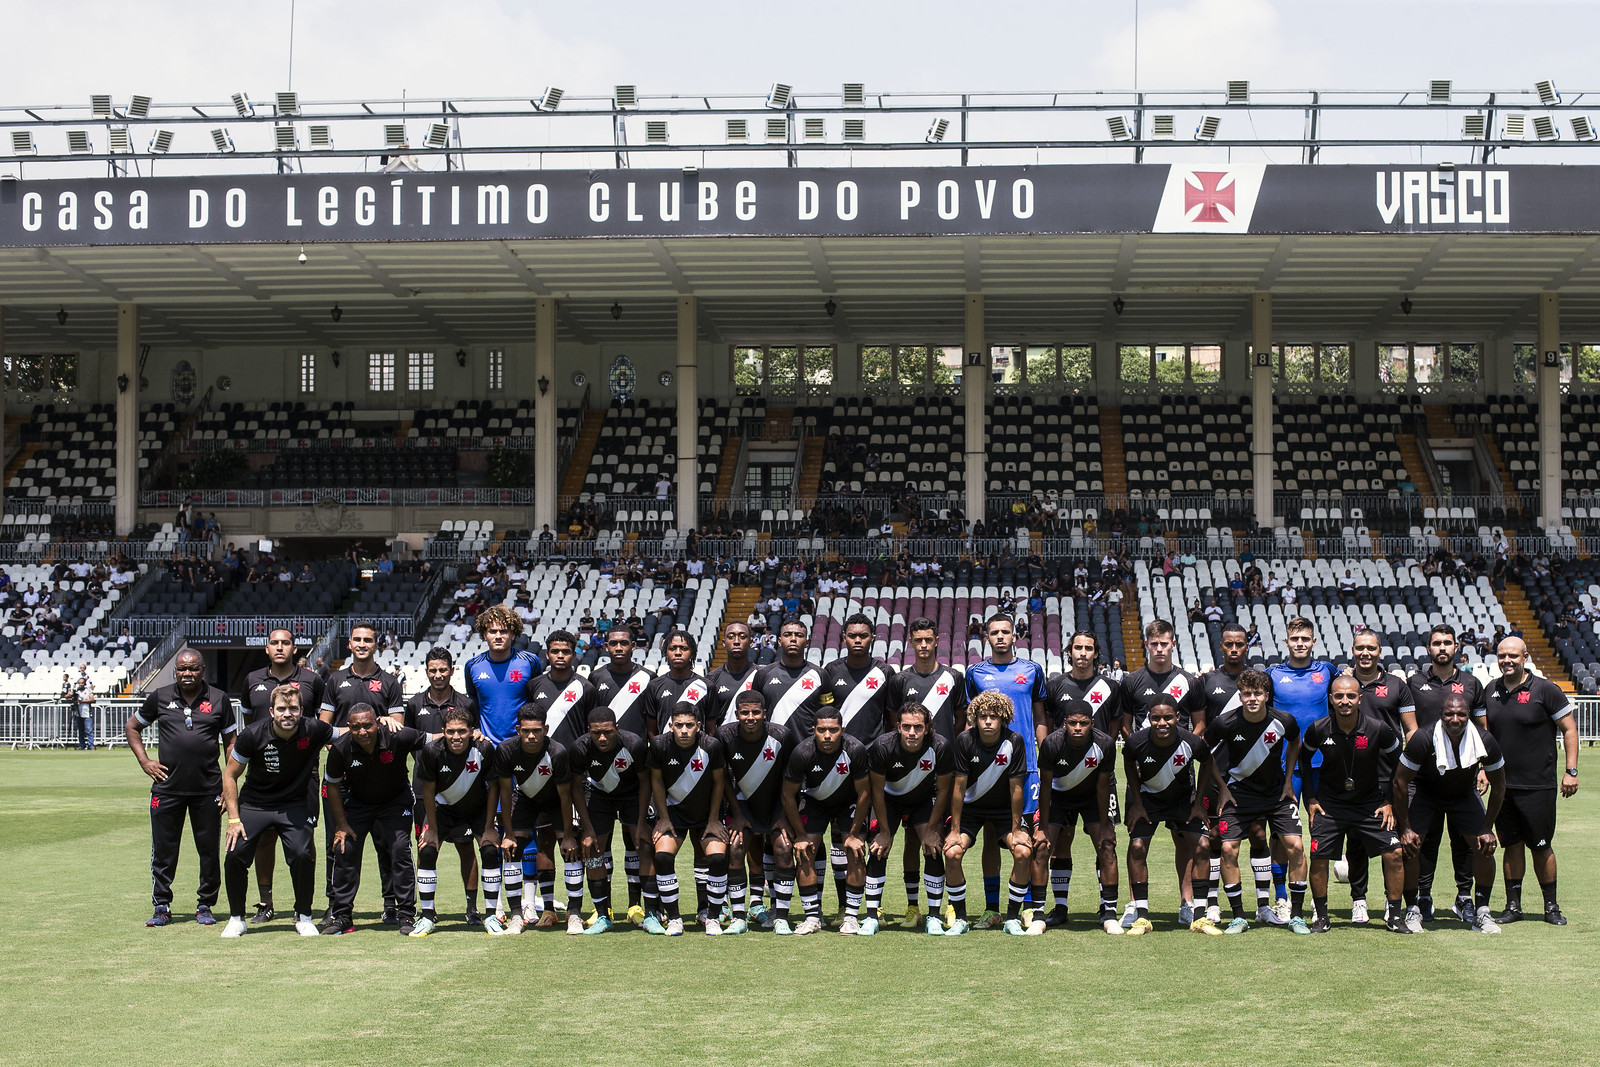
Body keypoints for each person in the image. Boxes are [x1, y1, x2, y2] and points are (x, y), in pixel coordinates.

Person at [127, 648, 235, 927]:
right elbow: (132, 727)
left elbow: (231, 742)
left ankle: (205, 905)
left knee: (209, 849)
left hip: (208, 789)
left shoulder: (219, 699)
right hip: (167, 789)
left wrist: (228, 782)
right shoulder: (161, 697)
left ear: (203, 670)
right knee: (164, 849)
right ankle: (161, 905)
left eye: (193, 668)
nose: (188, 673)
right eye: (182, 669)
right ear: (175, 671)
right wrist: (145, 761)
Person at [218, 685, 335, 938]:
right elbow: (229, 775)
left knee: (303, 854)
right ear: (271, 711)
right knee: (235, 854)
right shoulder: (252, 735)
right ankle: (236, 918)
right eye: (281, 709)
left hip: (294, 804)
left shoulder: (313, 729)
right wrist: (234, 818)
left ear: (301, 711)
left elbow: (346, 734)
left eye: (293, 708)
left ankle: (304, 917)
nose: (287, 714)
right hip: (255, 804)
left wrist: (381, 722)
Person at [1203, 669, 1310, 935]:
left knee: (1296, 846)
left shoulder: (1283, 720)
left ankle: (1296, 915)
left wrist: (1288, 780)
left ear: (1266, 695)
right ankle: (1238, 916)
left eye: (1257, 694)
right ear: (1240, 696)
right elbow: (1204, 751)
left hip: (1276, 795)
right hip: (1239, 795)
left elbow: (1296, 740)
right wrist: (1223, 787)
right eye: (1247, 694)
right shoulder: (1225, 722)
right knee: (1228, 849)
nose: (1252, 699)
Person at [1481, 636, 1579, 927]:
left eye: (1513, 655)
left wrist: (1571, 771)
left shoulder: (1546, 690)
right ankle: (1513, 906)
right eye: (1502, 656)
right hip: (1503, 786)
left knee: (1540, 845)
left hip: (1538, 785)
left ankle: (1551, 906)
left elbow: (1570, 730)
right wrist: (1482, 769)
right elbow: (1485, 737)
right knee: (1510, 844)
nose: (1507, 661)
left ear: (1525, 657)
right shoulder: (1490, 691)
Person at [1299, 675, 1407, 934]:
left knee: (1394, 853)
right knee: (1319, 856)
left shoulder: (1378, 728)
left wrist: (1389, 801)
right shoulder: (1318, 728)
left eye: (1350, 696)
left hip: (1369, 804)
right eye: (1339, 696)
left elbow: (1399, 762)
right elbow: (1303, 760)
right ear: (1331, 699)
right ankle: (1322, 917)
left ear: (1360, 698)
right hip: (1330, 805)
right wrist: (1311, 799)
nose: (1344, 701)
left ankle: (1393, 916)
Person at [1116, 619, 1207, 926]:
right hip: (1143, 776)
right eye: (1153, 644)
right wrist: (1141, 752)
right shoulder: (1132, 681)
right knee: (1138, 839)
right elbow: (1125, 724)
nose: (1158, 649)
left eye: (1163, 643)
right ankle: (1134, 904)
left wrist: (1183, 753)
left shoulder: (1189, 681)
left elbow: (1200, 724)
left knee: (1186, 839)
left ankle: (1187, 902)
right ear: (1146, 645)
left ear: (1173, 644)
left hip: (1180, 773)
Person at [1392, 693, 1507, 934]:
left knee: (1483, 846)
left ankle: (1483, 912)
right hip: (1426, 793)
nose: (1455, 719)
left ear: (1469, 717)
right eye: (1449, 714)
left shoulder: (1484, 740)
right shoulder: (1423, 738)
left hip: (1463, 795)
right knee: (1411, 846)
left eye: (1461, 714)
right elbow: (1400, 782)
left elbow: (1500, 786)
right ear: (1440, 716)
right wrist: (1405, 828)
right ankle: (1413, 908)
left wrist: (1487, 828)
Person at [239, 627, 329, 922]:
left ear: (294, 648)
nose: (280, 647)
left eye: (285, 643)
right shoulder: (252, 680)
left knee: (303, 841)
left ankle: (302, 908)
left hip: (304, 774)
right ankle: (266, 904)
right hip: (263, 774)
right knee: (263, 838)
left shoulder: (312, 680)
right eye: (274, 643)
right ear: (267, 649)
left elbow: (321, 725)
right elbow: (250, 724)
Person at [963, 613, 1047, 927]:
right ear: (986, 637)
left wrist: (1044, 754)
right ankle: (991, 908)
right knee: (989, 835)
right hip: (987, 766)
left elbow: (1039, 715)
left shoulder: (1032, 670)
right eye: (994, 632)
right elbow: (971, 719)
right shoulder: (975, 673)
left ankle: (1024, 905)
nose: (1000, 637)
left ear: (1015, 636)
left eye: (1005, 632)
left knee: (1025, 833)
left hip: (1024, 766)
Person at [321, 704, 429, 936]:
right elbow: (332, 785)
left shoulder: (398, 735)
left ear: (377, 723)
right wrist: (341, 825)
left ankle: (406, 914)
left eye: (367, 725)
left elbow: (434, 738)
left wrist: (472, 734)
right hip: (358, 804)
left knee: (400, 849)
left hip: (395, 802)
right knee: (345, 848)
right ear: (349, 727)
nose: (363, 731)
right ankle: (342, 916)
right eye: (357, 727)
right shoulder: (340, 749)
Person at [1403, 623, 1486, 921]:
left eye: (1447, 643)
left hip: (1463, 777)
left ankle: (1464, 897)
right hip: (1424, 779)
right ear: (1428, 648)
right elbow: (1410, 730)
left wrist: (1483, 770)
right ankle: (1423, 897)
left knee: (1465, 841)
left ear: (1456, 648)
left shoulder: (1472, 683)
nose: (1442, 648)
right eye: (1436, 643)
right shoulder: (1414, 682)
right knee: (1423, 841)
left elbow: (1481, 728)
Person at [944, 691, 1039, 936]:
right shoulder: (965, 740)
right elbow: (958, 786)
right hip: (970, 811)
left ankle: (1011, 918)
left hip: (1003, 811)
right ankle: (961, 919)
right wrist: (954, 831)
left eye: (994, 717)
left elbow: (1016, 787)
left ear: (1004, 718)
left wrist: (1017, 830)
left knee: (1023, 851)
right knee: (952, 853)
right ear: (974, 718)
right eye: (983, 716)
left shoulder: (1015, 741)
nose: (988, 721)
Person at [1121, 696, 1217, 935]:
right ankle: (1141, 916)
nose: (1161, 723)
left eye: (1167, 717)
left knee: (1203, 845)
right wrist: (1137, 803)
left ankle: (1199, 916)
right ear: (1148, 720)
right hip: (1148, 800)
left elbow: (1207, 763)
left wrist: (1199, 802)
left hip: (1183, 800)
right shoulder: (1136, 742)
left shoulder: (1192, 742)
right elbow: (1129, 764)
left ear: (1177, 717)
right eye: (1155, 718)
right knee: (1137, 847)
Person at [410, 708, 505, 936]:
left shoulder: (484, 748)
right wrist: (431, 829)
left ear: (472, 731)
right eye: (451, 731)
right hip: (443, 809)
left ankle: (490, 915)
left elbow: (493, 787)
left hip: (477, 809)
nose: (456, 737)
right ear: (443, 732)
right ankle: (427, 916)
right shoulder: (431, 751)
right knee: (428, 851)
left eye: (462, 731)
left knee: (491, 851)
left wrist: (490, 827)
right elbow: (429, 791)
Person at [866, 702, 954, 936]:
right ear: (898, 726)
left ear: (927, 728)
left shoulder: (941, 746)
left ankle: (933, 917)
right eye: (906, 727)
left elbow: (944, 790)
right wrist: (884, 832)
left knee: (932, 847)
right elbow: (876, 791)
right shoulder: (882, 746)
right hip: (889, 801)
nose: (912, 732)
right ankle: (871, 916)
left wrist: (934, 829)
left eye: (917, 727)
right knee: (877, 847)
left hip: (923, 801)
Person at [780, 706, 870, 936]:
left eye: (833, 730)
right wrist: (799, 835)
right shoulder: (802, 752)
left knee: (856, 851)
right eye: (822, 730)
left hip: (847, 803)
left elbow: (864, 794)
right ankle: (812, 917)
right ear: (814, 730)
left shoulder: (855, 749)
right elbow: (788, 794)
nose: (827, 735)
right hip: (815, 802)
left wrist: (853, 834)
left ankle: (850, 917)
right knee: (804, 851)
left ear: (842, 730)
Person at [1035, 698, 1121, 934]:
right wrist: (1042, 826)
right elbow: (1045, 785)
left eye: (1083, 723)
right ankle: (1040, 914)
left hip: (1092, 796)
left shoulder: (1105, 744)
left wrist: (1105, 825)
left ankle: (1110, 913)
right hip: (1059, 797)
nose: (1078, 728)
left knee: (1106, 846)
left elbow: (1103, 786)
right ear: (1064, 723)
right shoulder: (1051, 744)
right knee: (1043, 847)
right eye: (1072, 723)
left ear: (1092, 723)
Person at [717, 689, 797, 935]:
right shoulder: (724, 735)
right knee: (736, 847)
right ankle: (739, 917)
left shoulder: (782, 735)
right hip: (743, 804)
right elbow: (722, 778)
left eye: (755, 712)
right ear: (737, 714)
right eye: (744, 713)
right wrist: (737, 814)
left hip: (775, 805)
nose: (750, 717)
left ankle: (780, 916)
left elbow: (790, 777)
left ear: (765, 713)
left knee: (783, 848)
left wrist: (783, 813)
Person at [647, 702, 730, 936]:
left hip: (706, 813)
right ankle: (674, 918)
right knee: (662, 857)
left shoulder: (711, 746)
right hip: (674, 812)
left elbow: (719, 783)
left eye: (689, 726)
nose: (684, 730)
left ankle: (712, 916)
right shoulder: (659, 745)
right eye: (679, 725)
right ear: (671, 725)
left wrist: (714, 819)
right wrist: (663, 817)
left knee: (716, 858)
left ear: (699, 726)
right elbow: (656, 782)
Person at [568, 705, 652, 935]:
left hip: (632, 795)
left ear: (617, 728)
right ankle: (603, 915)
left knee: (643, 845)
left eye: (607, 731)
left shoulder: (634, 743)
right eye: (596, 733)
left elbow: (646, 781)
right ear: (588, 731)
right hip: (600, 796)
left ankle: (649, 912)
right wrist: (587, 829)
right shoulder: (580, 748)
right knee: (594, 852)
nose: (602, 738)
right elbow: (575, 787)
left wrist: (643, 822)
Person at [494, 705, 575, 933]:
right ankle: (516, 917)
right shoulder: (506, 750)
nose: (531, 736)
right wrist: (508, 834)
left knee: (568, 849)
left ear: (546, 729)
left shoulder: (557, 752)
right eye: (526, 730)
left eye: (537, 731)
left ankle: (575, 913)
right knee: (512, 852)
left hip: (555, 803)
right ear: (518, 729)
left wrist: (568, 836)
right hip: (526, 801)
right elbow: (505, 792)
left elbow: (565, 796)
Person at [462, 605, 542, 746]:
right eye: (492, 631)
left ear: (513, 634)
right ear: (484, 634)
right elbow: (473, 701)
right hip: (487, 744)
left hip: (521, 744)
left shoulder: (530, 662)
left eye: (503, 631)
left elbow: (537, 700)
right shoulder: (472, 666)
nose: (498, 636)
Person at [753, 617, 827, 742]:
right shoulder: (763, 675)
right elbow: (755, 713)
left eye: (799, 635)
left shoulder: (820, 675)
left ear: (807, 642)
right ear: (780, 641)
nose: (793, 639)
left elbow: (827, 716)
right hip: (772, 750)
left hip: (809, 749)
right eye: (787, 635)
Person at [589, 627, 659, 737]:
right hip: (604, 747)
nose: (618, 648)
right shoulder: (596, 677)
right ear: (606, 647)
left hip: (638, 749)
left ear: (633, 646)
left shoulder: (649, 677)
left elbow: (652, 720)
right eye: (613, 644)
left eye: (624, 643)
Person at [706, 621, 760, 726]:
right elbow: (710, 723)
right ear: (723, 642)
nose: (736, 641)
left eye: (742, 637)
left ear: (751, 642)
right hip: (722, 741)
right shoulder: (711, 679)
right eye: (731, 637)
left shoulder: (761, 675)